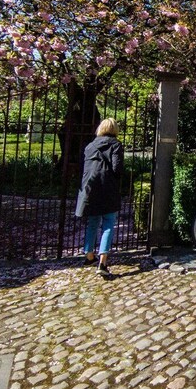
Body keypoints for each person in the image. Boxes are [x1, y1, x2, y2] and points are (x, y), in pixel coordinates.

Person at [76, 117, 124, 278]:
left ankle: (89, 255)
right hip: (107, 187)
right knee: (109, 223)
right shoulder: (116, 145)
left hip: (90, 188)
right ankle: (102, 261)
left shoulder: (90, 146)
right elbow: (117, 169)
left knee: (92, 222)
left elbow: (83, 167)